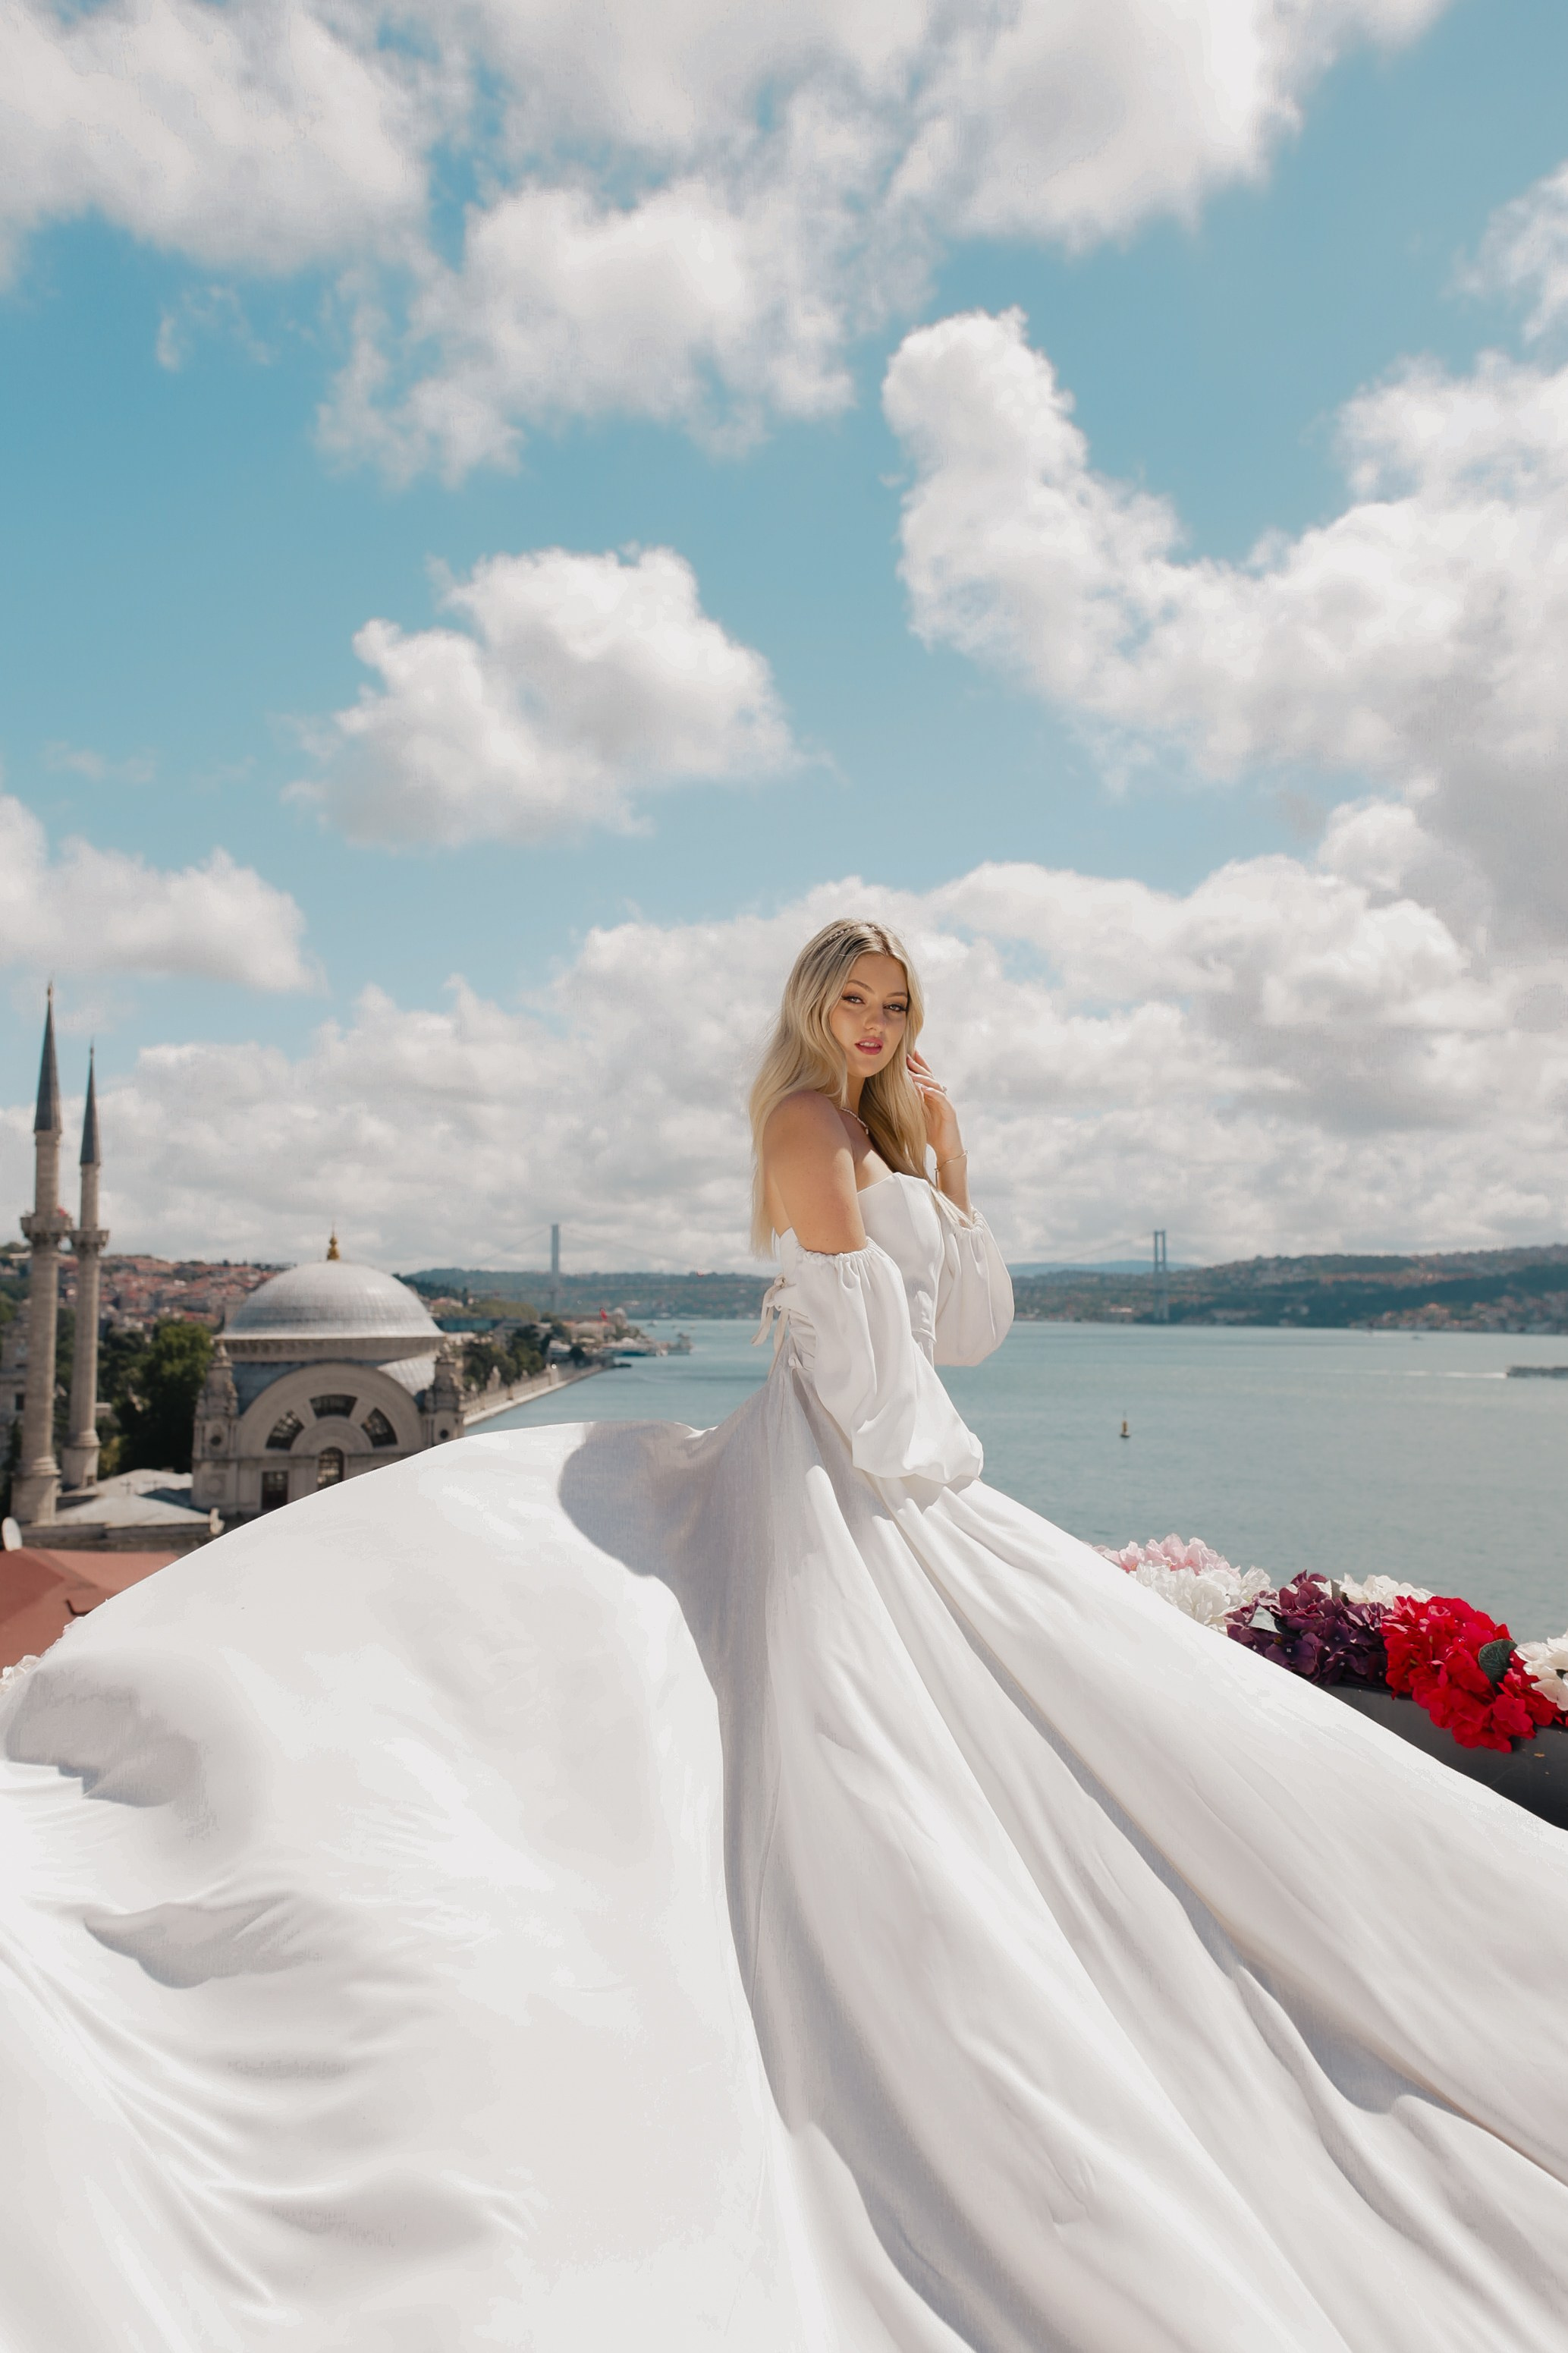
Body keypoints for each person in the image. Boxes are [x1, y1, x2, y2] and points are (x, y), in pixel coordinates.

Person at [2, 917, 1565, 2352]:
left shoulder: (872, 1130)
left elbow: (962, 1334)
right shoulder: (802, 1127)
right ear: (807, 1010)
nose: (875, 1025)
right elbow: (877, 1384)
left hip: (878, 1464)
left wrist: (950, 1168)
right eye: (851, 999)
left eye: (896, 1006)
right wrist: (935, 1455)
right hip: (844, 1473)